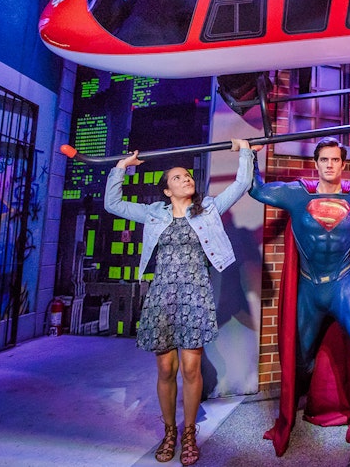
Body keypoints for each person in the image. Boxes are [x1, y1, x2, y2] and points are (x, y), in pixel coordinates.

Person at [249, 128, 350, 467]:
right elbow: (257, 189)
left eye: (336, 159)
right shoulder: (296, 196)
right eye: (324, 159)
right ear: (316, 163)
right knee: (300, 358)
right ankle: (290, 417)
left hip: (342, 285)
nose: (330, 164)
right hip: (308, 288)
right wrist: (249, 154)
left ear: (342, 164)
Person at [104, 140, 254, 465]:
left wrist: (244, 150)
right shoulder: (153, 213)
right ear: (167, 191)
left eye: (188, 176)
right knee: (165, 367)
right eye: (177, 178)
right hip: (162, 294)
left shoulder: (209, 208)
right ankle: (169, 430)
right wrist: (121, 168)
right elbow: (113, 204)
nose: (186, 179)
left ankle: (188, 432)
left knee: (191, 367)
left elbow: (242, 183)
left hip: (195, 292)